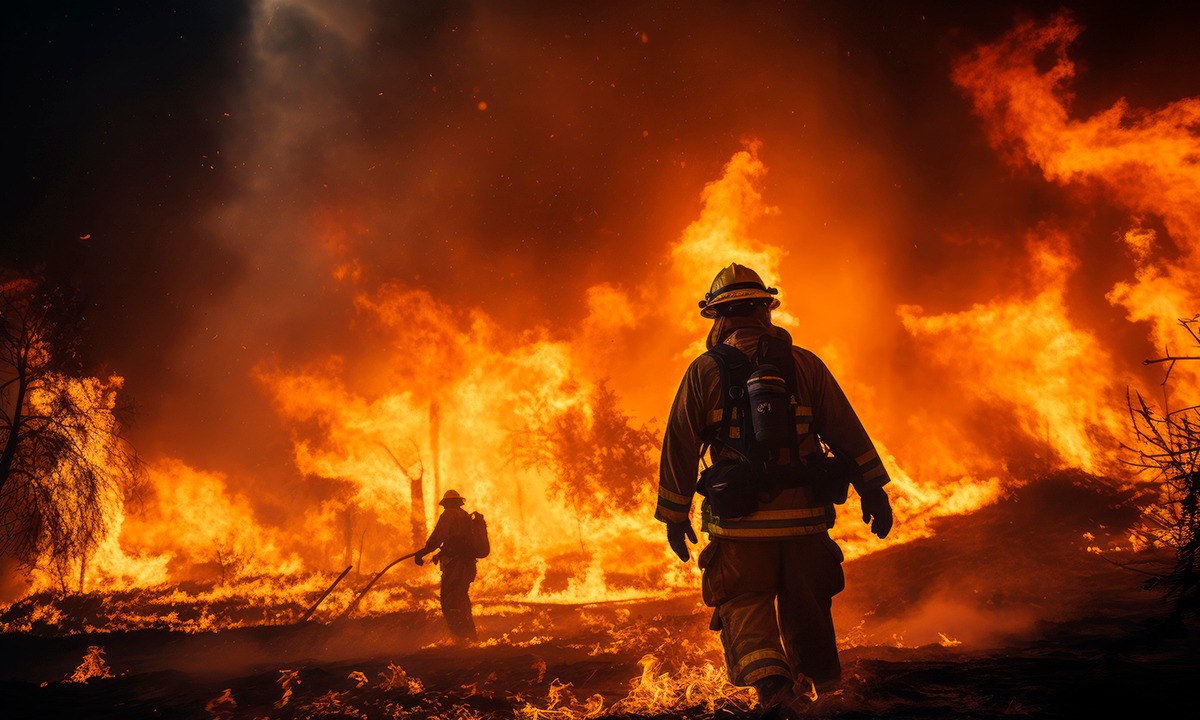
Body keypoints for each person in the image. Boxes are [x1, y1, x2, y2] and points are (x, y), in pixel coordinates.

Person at [656, 263, 894, 717]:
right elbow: (847, 431)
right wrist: (874, 491)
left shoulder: (704, 370)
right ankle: (828, 700)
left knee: (745, 607)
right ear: (766, 311)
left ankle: (775, 693)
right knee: (809, 613)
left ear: (719, 318)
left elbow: (680, 444)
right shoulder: (805, 364)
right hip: (805, 521)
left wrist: (674, 513)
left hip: (740, 527)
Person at [414, 489, 479, 642]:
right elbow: (455, 542)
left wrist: (423, 552)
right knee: (462, 599)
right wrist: (439, 554)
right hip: (467, 565)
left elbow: (438, 537)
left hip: (456, 565)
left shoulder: (449, 515)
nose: (444, 507)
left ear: (448, 503)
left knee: (450, 600)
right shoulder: (465, 516)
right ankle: (470, 635)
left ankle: (460, 636)